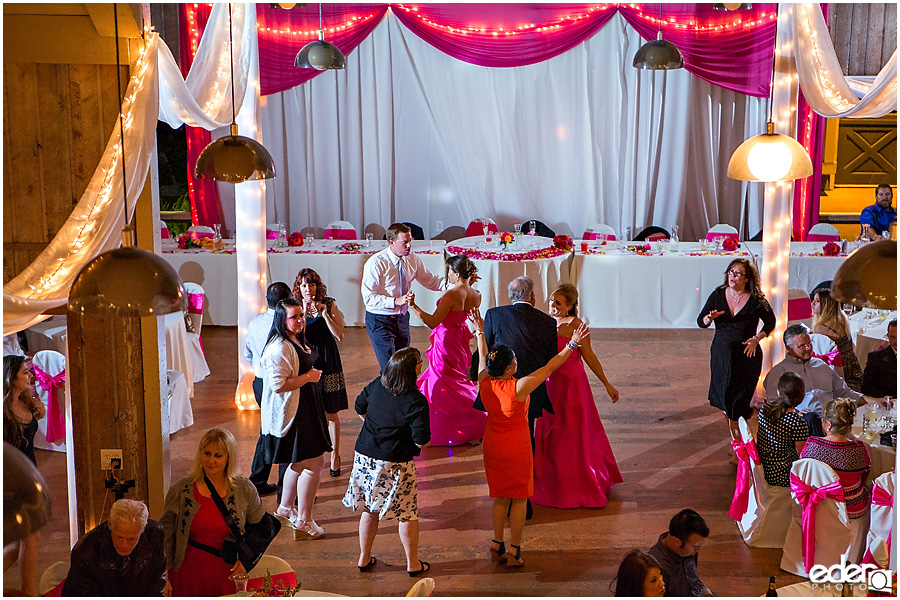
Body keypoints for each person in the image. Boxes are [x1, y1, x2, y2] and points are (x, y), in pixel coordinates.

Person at [471, 307, 588, 568]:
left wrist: (480, 330)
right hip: (517, 446)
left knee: (500, 496)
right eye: (514, 360)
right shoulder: (519, 386)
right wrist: (571, 344)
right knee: (520, 497)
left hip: (492, 444)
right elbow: (549, 367)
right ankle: (515, 548)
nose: (517, 362)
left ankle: (496, 542)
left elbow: (482, 354)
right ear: (510, 367)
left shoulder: (484, 381)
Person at [342, 347, 432, 577]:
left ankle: (364, 558)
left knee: (369, 510)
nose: (422, 363)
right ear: (410, 371)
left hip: (365, 458)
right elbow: (422, 440)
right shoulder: (416, 401)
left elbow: (359, 406)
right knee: (407, 513)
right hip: (396, 464)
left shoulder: (377, 385)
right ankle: (412, 564)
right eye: (419, 361)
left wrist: (374, 426)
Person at [474, 276, 558, 519]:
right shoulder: (546, 322)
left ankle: (504, 494)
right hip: (529, 389)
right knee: (525, 440)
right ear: (532, 297)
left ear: (510, 297)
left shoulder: (493, 315)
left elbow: (486, 352)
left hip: (499, 390)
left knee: (500, 437)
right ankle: (524, 498)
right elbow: (549, 359)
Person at [533, 284, 622, 508]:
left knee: (572, 431)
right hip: (551, 382)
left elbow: (589, 356)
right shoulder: (545, 322)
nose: (552, 306)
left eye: (559, 303)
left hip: (571, 385)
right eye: (552, 301)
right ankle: (554, 477)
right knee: (554, 432)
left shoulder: (577, 326)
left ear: (571, 306)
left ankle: (578, 480)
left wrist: (606, 383)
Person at [161, 428, 266, 596]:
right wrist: (164, 573)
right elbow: (166, 533)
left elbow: (262, 528)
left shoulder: (244, 488)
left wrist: (247, 561)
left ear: (228, 458)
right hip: (188, 572)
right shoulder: (181, 490)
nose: (211, 461)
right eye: (207, 453)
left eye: (218, 456)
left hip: (228, 572)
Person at [260, 299, 332, 539]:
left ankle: (285, 507)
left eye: (301, 315)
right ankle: (303, 519)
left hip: (305, 408)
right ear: (282, 320)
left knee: (300, 463)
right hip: (295, 414)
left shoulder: (295, 339)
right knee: (314, 464)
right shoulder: (278, 348)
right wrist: (309, 377)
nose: (300, 320)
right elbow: (279, 385)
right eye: (294, 317)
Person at [697, 258, 776, 447]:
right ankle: (737, 442)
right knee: (725, 401)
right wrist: (709, 318)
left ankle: (739, 444)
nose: (732, 276)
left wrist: (757, 338)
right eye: (730, 272)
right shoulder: (718, 294)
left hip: (747, 356)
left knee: (738, 404)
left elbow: (770, 322)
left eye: (738, 273)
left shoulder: (756, 300)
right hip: (722, 354)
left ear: (747, 278)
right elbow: (700, 321)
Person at [409, 255, 486, 446]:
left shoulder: (451, 295)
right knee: (458, 379)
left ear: (457, 273)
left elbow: (433, 321)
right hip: (461, 341)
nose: (448, 275)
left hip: (446, 342)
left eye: (449, 272)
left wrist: (413, 307)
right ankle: (471, 420)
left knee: (442, 381)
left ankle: (442, 426)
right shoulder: (476, 294)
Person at [763, 324, 891, 429]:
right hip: (803, 424)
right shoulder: (779, 373)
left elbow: (844, 392)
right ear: (788, 348)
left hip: (833, 420)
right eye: (802, 346)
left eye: (809, 343)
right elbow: (772, 407)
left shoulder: (820, 365)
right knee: (812, 419)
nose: (808, 348)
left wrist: (875, 400)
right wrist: (794, 414)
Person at [361, 222, 447, 372]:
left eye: (410, 242)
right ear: (391, 243)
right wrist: (395, 301)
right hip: (380, 320)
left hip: (401, 319)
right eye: (404, 242)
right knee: (390, 369)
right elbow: (369, 298)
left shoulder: (412, 259)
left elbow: (431, 281)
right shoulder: (375, 263)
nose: (409, 246)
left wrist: (458, 284)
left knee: (404, 366)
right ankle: (388, 395)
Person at [293, 268, 349, 477]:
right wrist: (305, 314)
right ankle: (313, 454)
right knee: (309, 411)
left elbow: (340, 335)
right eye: (304, 285)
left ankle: (335, 456)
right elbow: (297, 335)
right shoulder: (296, 307)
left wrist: (324, 314)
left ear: (318, 286)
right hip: (308, 360)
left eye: (312, 284)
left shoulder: (329, 303)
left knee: (330, 410)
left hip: (328, 358)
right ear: (299, 287)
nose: (309, 289)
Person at [245, 282, 292, 497]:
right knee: (286, 432)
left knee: (267, 431)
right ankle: (286, 489)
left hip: (260, 382)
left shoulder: (255, 322)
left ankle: (257, 480)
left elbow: (247, 352)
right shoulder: (286, 324)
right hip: (282, 384)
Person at [62, 499, 166, 596]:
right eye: (119, 537)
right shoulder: (85, 551)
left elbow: (156, 586)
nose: (124, 545)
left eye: (131, 539)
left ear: (143, 528)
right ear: (110, 525)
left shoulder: (154, 536)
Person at [801, 398, 871, 519]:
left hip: (818, 506)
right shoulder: (859, 449)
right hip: (852, 509)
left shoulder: (811, 445)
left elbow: (803, 472)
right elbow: (864, 477)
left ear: (829, 425)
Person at [756, 372, 810, 487]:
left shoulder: (765, 409)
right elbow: (802, 457)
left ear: (779, 392)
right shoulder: (798, 423)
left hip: (763, 468)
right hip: (783, 475)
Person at [647, 509, 712, 597]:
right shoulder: (655, 566)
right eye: (695, 547)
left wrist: (708, 594)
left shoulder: (688, 551)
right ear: (677, 542)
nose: (698, 550)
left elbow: (694, 581)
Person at [811, 287, 863, 391]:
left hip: (840, 376)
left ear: (826, 305)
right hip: (855, 372)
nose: (812, 303)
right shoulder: (842, 320)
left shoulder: (820, 328)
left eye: (817, 301)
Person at [3, 355, 45, 465]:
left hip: (29, 469)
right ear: (11, 378)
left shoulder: (26, 402)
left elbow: (23, 438)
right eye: (25, 372)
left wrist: (37, 418)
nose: (31, 375)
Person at [862, 319, 897, 398]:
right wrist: (884, 397)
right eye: (893, 337)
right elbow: (866, 387)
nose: (897, 341)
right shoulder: (876, 358)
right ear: (887, 336)